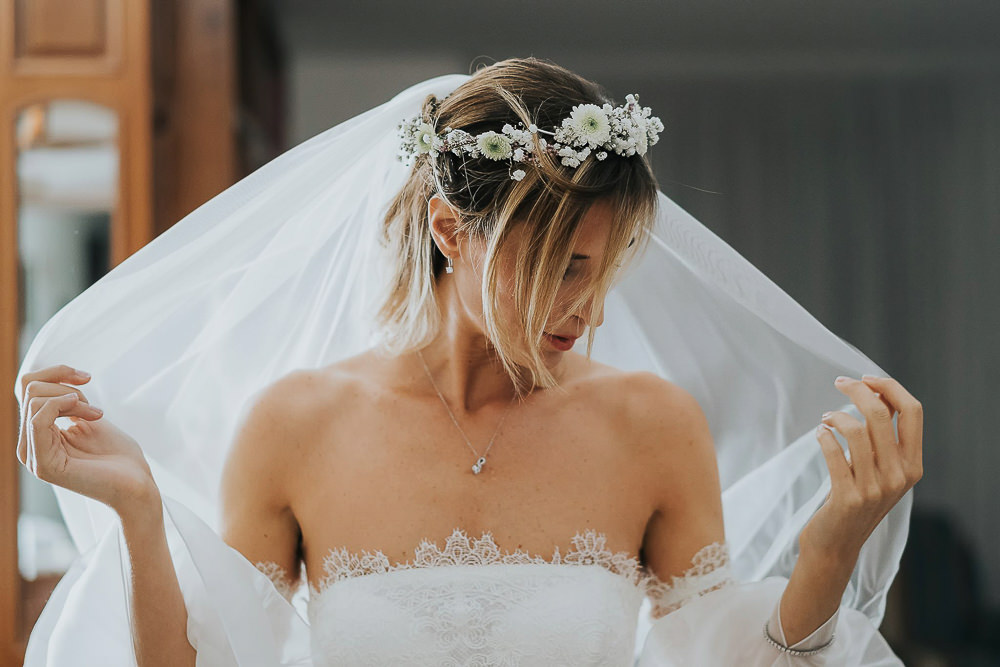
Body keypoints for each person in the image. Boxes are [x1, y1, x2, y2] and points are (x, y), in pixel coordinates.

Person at [15, 57, 920, 665]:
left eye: (603, 270)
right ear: (451, 231)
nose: (593, 310)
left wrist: (832, 544)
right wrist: (138, 509)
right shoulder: (296, 425)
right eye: (564, 267)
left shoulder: (651, 425)